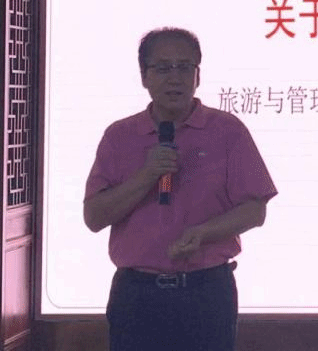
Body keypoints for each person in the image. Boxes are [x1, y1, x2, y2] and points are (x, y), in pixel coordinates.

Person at [83, 27, 277, 351]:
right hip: (137, 294)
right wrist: (148, 174)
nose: (175, 78)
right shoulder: (119, 136)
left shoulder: (228, 130)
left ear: (198, 76)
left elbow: (255, 210)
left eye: (185, 67)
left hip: (206, 292)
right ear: (144, 77)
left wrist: (203, 233)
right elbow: (94, 218)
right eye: (163, 68)